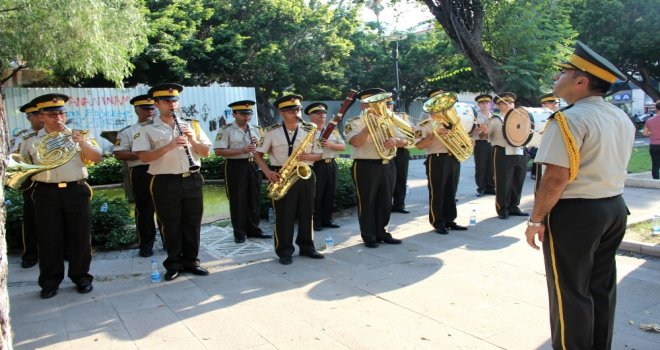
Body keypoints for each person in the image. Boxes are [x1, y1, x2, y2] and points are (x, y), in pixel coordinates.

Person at [525, 41, 634, 349]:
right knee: (601, 287)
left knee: (569, 292)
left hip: (577, 214)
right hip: (613, 207)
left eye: (564, 73)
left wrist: (536, 219)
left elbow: (556, 177)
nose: (556, 78)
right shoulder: (619, 117)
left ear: (581, 81)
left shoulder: (568, 118)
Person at [21, 93, 101, 298]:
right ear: (42, 117)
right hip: (46, 192)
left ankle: (81, 277)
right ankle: (50, 282)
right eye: (52, 114)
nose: (59, 118)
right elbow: (23, 166)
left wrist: (82, 143)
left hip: (76, 190)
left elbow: (97, 157)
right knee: (49, 239)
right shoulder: (30, 141)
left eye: (62, 113)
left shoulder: (80, 134)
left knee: (80, 237)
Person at [133, 83, 212, 281]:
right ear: (157, 103)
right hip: (165, 181)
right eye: (167, 101)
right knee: (171, 224)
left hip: (191, 178)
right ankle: (174, 263)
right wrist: (169, 146)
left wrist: (192, 139)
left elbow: (206, 152)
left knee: (192, 223)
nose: (172, 104)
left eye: (175, 100)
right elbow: (143, 157)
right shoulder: (146, 129)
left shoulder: (191, 124)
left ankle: (192, 261)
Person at [254, 94, 324, 265]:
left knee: (307, 212)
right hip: (281, 174)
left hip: (305, 172)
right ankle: (284, 250)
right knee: (284, 215)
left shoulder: (310, 130)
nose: (297, 113)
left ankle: (307, 247)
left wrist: (309, 156)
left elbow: (320, 154)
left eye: (298, 109)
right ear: (282, 112)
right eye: (292, 111)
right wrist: (268, 172)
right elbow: (258, 155)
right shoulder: (271, 131)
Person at [345, 88, 404, 248]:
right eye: (372, 103)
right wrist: (368, 127)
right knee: (367, 202)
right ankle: (369, 236)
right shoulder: (353, 122)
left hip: (387, 164)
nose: (377, 107)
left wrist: (396, 141)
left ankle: (382, 232)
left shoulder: (388, 119)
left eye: (378, 103)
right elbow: (356, 142)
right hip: (365, 166)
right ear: (363, 105)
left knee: (385, 201)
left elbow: (406, 139)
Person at [214, 100, 271, 243]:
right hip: (235, 166)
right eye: (243, 114)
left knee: (254, 198)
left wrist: (259, 146)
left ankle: (254, 229)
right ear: (234, 114)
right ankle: (239, 232)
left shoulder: (257, 129)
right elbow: (219, 151)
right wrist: (242, 150)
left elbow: (266, 150)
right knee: (238, 199)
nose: (247, 117)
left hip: (254, 165)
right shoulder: (226, 130)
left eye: (249, 114)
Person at [113, 94, 159, 257]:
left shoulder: (164, 128)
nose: (150, 112)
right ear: (136, 110)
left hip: (164, 169)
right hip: (141, 171)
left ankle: (170, 242)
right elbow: (119, 154)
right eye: (146, 109)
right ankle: (146, 245)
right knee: (144, 209)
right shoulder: (128, 132)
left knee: (168, 207)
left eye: (152, 108)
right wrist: (142, 154)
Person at [415, 95, 467, 235]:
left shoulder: (452, 122)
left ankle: (450, 220)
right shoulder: (424, 125)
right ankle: (438, 222)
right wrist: (434, 134)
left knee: (451, 191)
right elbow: (419, 146)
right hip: (436, 159)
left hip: (453, 158)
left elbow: (462, 139)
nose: (443, 109)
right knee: (437, 192)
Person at [11, 99, 44, 268]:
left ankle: (65, 250)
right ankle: (30, 254)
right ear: (29, 117)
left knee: (61, 219)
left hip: (55, 181)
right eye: (37, 115)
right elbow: (13, 160)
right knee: (31, 219)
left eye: (42, 114)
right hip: (32, 183)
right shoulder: (21, 137)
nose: (41, 118)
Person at [305, 102, 345, 231]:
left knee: (330, 193)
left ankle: (327, 219)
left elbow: (343, 146)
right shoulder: (306, 132)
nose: (321, 115)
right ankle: (315, 222)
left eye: (323, 113)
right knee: (316, 194)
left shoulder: (332, 130)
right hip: (317, 165)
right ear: (310, 116)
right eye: (317, 113)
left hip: (331, 164)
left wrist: (330, 145)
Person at [488, 92, 528, 219]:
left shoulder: (521, 118)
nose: (508, 105)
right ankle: (503, 208)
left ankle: (514, 206)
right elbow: (487, 136)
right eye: (504, 103)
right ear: (498, 105)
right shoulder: (495, 120)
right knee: (503, 181)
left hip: (519, 151)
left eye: (510, 103)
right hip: (502, 152)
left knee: (518, 180)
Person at [529, 93, 561, 180]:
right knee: (541, 180)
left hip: (556, 154)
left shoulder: (560, 117)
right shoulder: (539, 118)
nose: (555, 105)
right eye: (552, 103)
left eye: (556, 103)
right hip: (543, 152)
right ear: (543, 104)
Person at [388, 98, 411, 214]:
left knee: (401, 178)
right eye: (386, 104)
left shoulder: (401, 117)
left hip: (401, 151)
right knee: (388, 180)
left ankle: (399, 204)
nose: (388, 106)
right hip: (385, 151)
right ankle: (387, 205)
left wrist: (399, 141)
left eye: (390, 104)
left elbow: (411, 135)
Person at [471, 94, 496, 197]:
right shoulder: (474, 117)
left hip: (492, 143)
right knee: (481, 166)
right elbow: (470, 131)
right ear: (479, 105)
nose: (485, 105)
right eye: (482, 103)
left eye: (487, 103)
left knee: (491, 166)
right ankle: (481, 188)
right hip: (480, 143)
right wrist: (478, 129)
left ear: (490, 104)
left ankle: (491, 187)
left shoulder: (494, 117)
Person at [642, 100, 660, 179]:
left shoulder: (649, 120)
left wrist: (652, 133)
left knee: (655, 165)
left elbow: (645, 133)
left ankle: (656, 182)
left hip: (654, 145)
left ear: (656, 108)